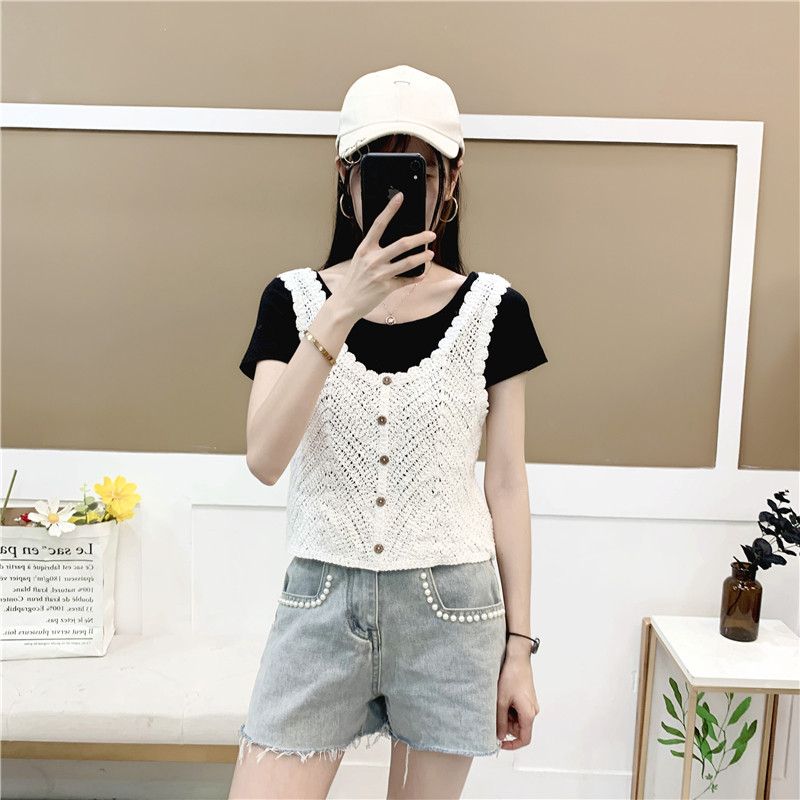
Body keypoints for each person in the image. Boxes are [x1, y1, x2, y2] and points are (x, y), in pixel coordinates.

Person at [229, 65, 546, 800]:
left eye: (421, 170)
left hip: (452, 613)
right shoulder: (292, 300)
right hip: (319, 605)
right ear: (346, 179)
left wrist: (519, 651)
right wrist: (343, 307)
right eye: (378, 170)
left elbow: (506, 484)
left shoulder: (495, 309)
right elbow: (265, 458)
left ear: (451, 179)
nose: (401, 193)